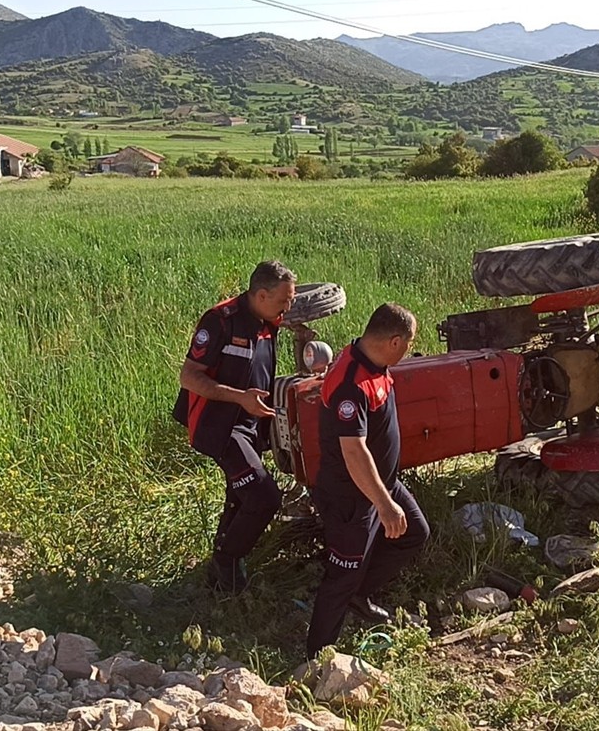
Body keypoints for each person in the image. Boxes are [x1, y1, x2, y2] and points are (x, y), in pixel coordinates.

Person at [305, 303, 430, 658]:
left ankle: (361, 595)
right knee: (341, 575)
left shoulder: (374, 362)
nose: (409, 350)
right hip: (352, 494)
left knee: (414, 534)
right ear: (393, 341)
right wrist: (384, 504)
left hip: (382, 484)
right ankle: (317, 657)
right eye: (408, 343)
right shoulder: (351, 383)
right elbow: (354, 452)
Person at [173, 260, 297, 593]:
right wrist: (240, 397)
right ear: (260, 294)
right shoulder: (219, 321)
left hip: (252, 424)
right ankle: (227, 559)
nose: (288, 308)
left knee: (240, 498)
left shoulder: (266, 320)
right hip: (221, 427)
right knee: (264, 497)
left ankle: (221, 581)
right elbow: (189, 377)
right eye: (284, 301)